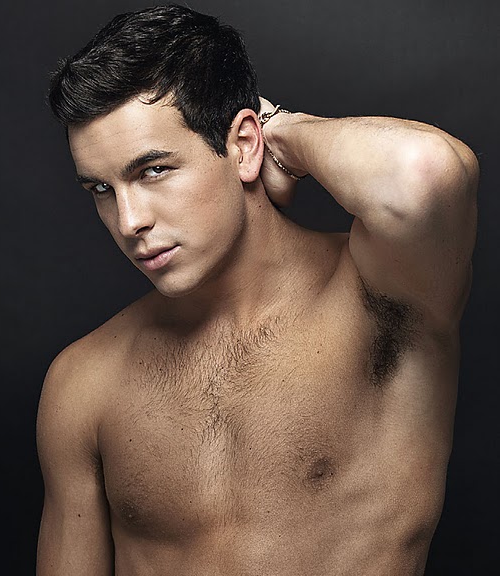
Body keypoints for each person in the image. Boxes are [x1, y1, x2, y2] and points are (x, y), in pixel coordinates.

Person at [36, 4, 478, 575]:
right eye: (101, 188)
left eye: (153, 170)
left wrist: (283, 131)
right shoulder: (84, 382)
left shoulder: (380, 300)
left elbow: (424, 175)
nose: (129, 221)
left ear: (243, 145)